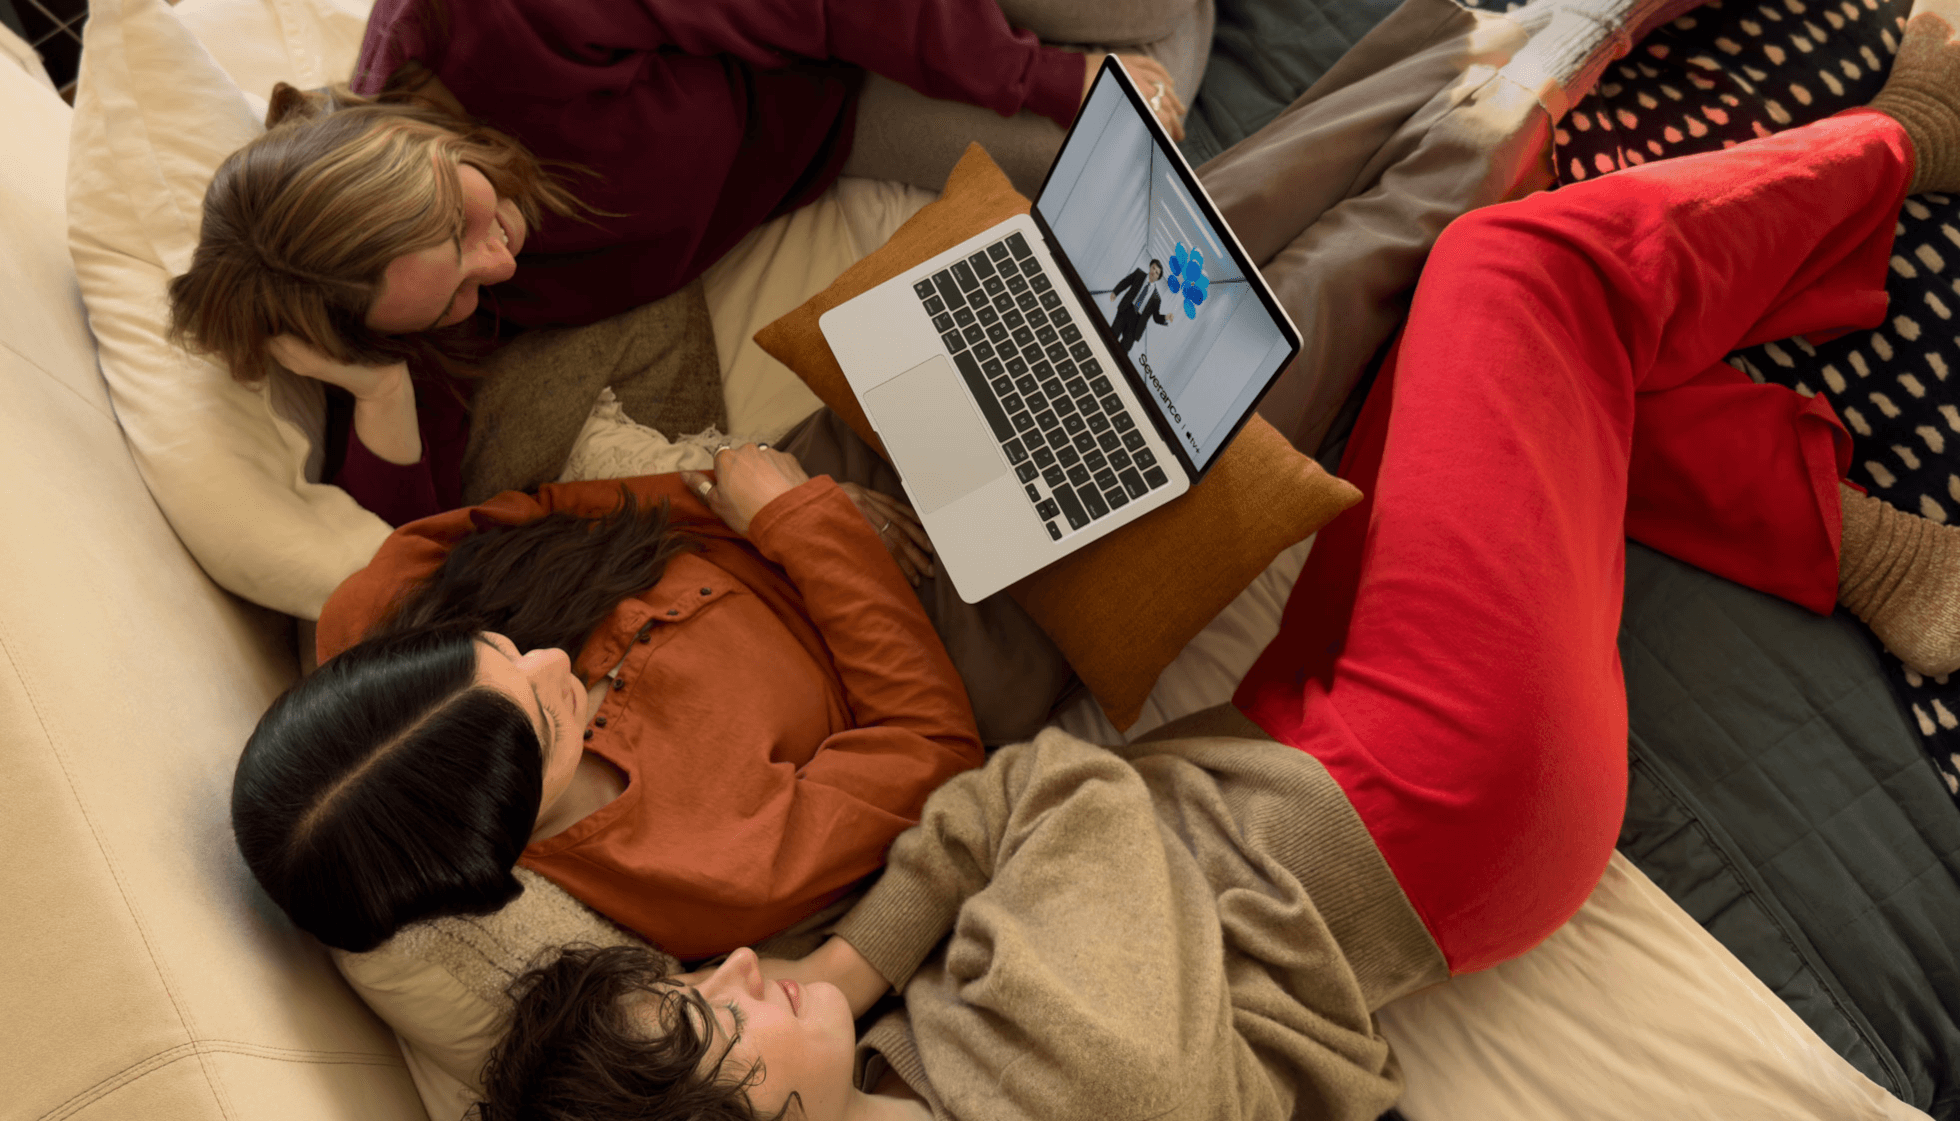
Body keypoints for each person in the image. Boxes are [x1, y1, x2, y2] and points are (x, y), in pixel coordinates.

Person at [467, 6, 1960, 1117]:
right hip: (1430, 790)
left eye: (696, 983)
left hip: (1306, 758)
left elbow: (1019, 813)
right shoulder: (1056, 1066)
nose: (735, 974)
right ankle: (1902, 147)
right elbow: (1041, 788)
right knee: (1519, 276)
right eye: (715, 1022)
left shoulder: (897, 1057)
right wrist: (887, 929)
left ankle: (1844, 537)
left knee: (1430, 324)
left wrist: (855, 974)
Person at [165, 0, 1197, 527]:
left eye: (461, 218)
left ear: (400, 147)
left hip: (839, 24)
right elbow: (412, 543)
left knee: (1137, 30)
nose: (499, 258)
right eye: (461, 294)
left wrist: (1041, 76)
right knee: (1137, 148)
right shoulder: (415, 309)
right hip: (834, 115)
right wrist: (372, 383)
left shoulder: (493, 24)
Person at [230, 424, 1084, 964]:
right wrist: (807, 530)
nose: (549, 663)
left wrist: (747, 494)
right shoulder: (706, 874)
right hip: (954, 627)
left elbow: (552, 512)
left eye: (500, 648)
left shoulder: (375, 612)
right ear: (503, 834)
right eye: (546, 718)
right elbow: (932, 745)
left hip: (778, 487)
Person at [1107, 258, 1172, 353]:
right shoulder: (1139, 274)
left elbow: (1156, 317)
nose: (1154, 272)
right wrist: (1115, 292)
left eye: (1157, 273)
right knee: (1112, 335)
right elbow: (1126, 282)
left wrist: (1166, 317)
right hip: (1126, 310)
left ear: (1158, 278)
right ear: (1150, 266)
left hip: (1137, 322)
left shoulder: (1157, 298)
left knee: (1124, 348)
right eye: (1153, 268)